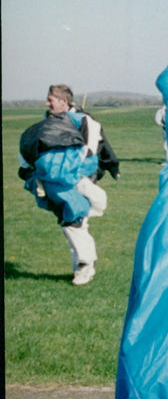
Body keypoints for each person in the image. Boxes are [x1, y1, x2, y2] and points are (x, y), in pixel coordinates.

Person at [18, 85, 120, 285]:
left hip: (78, 177)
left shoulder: (84, 121)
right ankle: (82, 267)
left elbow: (91, 150)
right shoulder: (47, 123)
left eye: (51, 100)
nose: (47, 104)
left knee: (74, 220)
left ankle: (84, 265)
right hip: (54, 180)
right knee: (72, 221)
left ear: (63, 102)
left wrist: (75, 172)